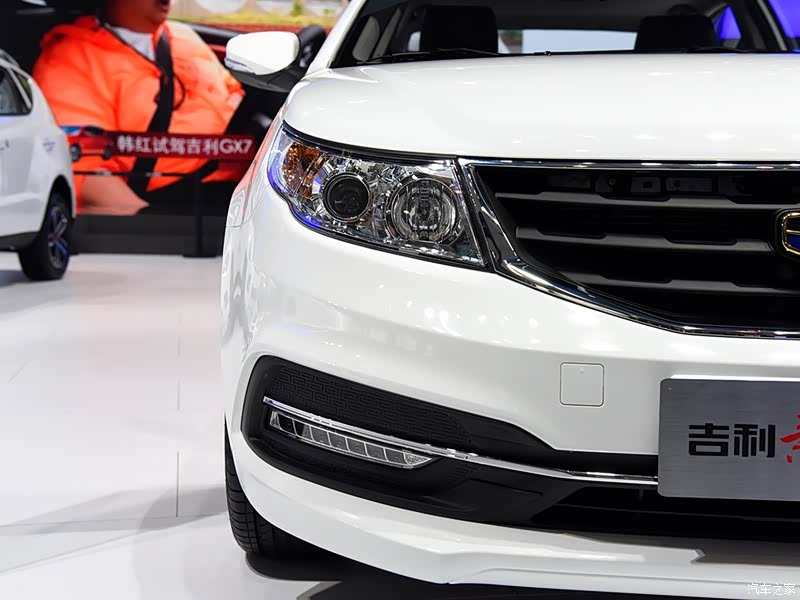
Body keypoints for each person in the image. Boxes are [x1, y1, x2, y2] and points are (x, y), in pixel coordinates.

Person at [33, 0, 251, 216]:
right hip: (174, 206)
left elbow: (237, 96)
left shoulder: (183, 37)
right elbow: (85, 172)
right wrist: (155, 224)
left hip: (244, 187)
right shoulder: (70, 60)